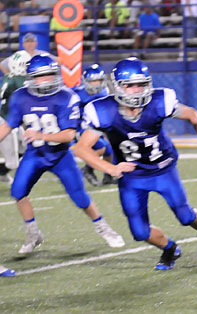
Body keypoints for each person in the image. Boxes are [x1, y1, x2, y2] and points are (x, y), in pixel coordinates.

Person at [73, 57, 197, 270]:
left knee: (185, 216)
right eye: (129, 85)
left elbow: (194, 116)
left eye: (141, 84)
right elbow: (81, 148)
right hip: (132, 176)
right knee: (139, 233)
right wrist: (110, 168)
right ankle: (170, 248)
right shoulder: (103, 110)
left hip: (163, 169)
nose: (136, 90)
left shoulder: (159, 101)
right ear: (117, 86)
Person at [0, 54, 125, 254]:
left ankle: (104, 228)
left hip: (60, 156)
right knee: (18, 192)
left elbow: (68, 135)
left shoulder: (66, 96)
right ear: (31, 77)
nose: (47, 79)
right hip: (35, 154)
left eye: (50, 74)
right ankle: (33, 234)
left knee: (80, 198)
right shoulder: (21, 96)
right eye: (42, 76)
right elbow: (8, 125)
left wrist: (40, 134)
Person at [73, 64, 116, 186]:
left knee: (109, 150)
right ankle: (87, 169)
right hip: (82, 128)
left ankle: (107, 176)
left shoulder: (105, 91)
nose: (96, 84)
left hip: (97, 127)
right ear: (86, 82)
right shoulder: (76, 95)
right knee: (101, 147)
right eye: (93, 82)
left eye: (99, 81)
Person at [0, 51, 31, 184]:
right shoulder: (19, 80)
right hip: (6, 122)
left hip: (12, 120)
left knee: (26, 146)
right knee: (13, 164)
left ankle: (1, 173)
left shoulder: (9, 77)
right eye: (27, 64)